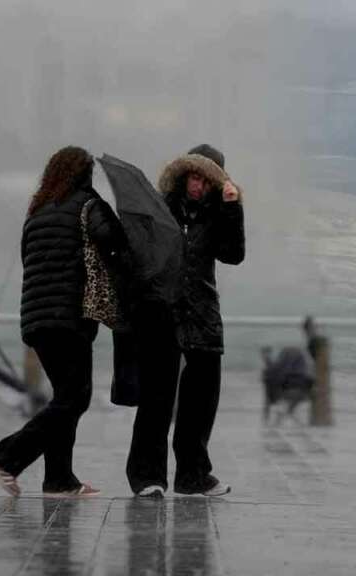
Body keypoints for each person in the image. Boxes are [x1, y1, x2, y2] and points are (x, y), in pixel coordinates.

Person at [0, 146, 129, 498]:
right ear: (84, 175)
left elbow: (28, 259)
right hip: (69, 318)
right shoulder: (88, 205)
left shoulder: (36, 212)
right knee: (75, 398)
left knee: (64, 397)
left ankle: (59, 480)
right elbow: (115, 242)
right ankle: (6, 455)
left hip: (36, 319)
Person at [126, 144, 245, 498]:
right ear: (183, 175)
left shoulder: (218, 212)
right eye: (193, 176)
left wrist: (232, 208)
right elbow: (143, 254)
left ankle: (193, 476)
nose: (197, 185)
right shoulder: (161, 209)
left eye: (205, 179)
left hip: (203, 314)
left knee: (200, 402)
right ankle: (147, 476)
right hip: (163, 313)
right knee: (156, 400)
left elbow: (233, 255)